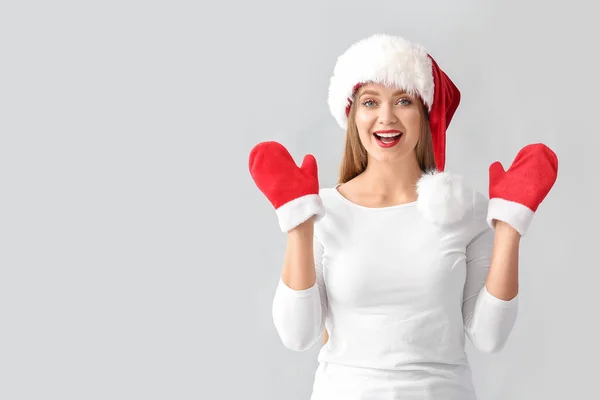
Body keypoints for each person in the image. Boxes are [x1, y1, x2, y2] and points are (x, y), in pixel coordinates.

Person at [248, 34, 558, 399]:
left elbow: (489, 337)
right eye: (370, 101)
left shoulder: (465, 211)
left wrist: (509, 225)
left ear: (425, 113)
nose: (386, 117)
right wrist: (299, 223)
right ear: (352, 114)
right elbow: (298, 335)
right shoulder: (321, 210)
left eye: (403, 100)